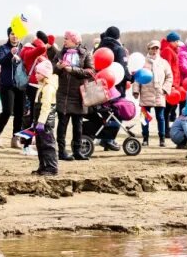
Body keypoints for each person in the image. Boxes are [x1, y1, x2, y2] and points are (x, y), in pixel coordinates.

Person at [54, 31, 95, 161]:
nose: (64, 41)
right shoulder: (60, 53)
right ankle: (61, 152)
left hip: (79, 94)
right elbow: (53, 70)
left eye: (67, 39)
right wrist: (59, 67)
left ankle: (77, 151)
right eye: (64, 38)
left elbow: (90, 72)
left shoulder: (86, 54)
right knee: (62, 124)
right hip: (63, 94)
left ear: (74, 40)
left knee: (78, 125)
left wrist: (72, 69)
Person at [0, 28, 26, 148]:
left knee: (20, 113)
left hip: (20, 84)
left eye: (17, 34)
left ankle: (16, 139)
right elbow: (2, 61)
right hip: (7, 85)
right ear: (9, 35)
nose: (15, 36)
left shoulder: (24, 48)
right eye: (12, 34)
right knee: (7, 111)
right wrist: (11, 53)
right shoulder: (3, 48)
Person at [133, 40, 173, 147]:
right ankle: (145, 138)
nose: (154, 50)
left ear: (159, 49)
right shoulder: (142, 63)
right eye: (152, 48)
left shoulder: (164, 63)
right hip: (145, 92)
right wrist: (136, 90)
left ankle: (162, 139)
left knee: (160, 117)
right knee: (144, 117)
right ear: (148, 49)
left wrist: (165, 89)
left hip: (159, 93)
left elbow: (169, 77)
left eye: (157, 48)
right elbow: (137, 78)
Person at [31, 61, 59, 176]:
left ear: (45, 74)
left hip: (45, 122)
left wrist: (41, 122)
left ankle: (51, 167)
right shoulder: (42, 86)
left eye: (38, 73)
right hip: (39, 121)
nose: (35, 75)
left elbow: (46, 107)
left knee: (48, 145)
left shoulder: (48, 88)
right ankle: (43, 166)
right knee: (40, 145)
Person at [98, 26, 128, 95]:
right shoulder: (119, 49)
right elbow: (123, 68)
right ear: (118, 37)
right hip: (117, 88)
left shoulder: (99, 48)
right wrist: (131, 78)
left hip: (101, 87)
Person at [159, 32, 182, 122]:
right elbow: (167, 68)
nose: (178, 43)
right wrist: (170, 84)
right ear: (171, 41)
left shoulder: (172, 50)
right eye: (176, 41)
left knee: (170, 107)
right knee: (167, 108)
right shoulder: (167, 50)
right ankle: (165, 129)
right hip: (170, 83)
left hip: (174, 82)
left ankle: (166, 127)